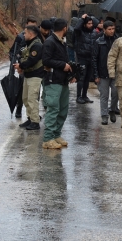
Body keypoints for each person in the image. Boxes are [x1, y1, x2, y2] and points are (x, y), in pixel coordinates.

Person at [41, 18, 76, 150]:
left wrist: (71, 75)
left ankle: (56, 134)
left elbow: (64, 60)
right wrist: (63, 65)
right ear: (64, 28)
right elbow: (46, 60)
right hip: (52, 80)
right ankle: (48, 138)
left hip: (62, 80)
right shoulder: (50, 42)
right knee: (53, 109)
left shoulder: (62, 42)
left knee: (63, 110)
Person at [14, 25, 44, 130]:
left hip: (35, 76)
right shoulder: (30, 44)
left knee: (32, 99)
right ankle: (30, 118)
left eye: (25, 33)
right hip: (28, 75)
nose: (24, 35)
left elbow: (32, 60)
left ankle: (35, 122)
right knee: (25, 98)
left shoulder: (37, 45)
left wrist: (21, 66)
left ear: (31, 34)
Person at [8, 16, 38, 119]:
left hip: (34, 68)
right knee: (22, 90)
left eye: (34, 26)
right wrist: (17, 62)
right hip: (23, 67)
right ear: (26, 25)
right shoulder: (21, 37)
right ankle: (19, 109)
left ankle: (33, 114)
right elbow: (12, 52)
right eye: (30, 25)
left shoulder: (38, 38)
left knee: (34, 92)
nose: (32, 28)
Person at [92, 20, 119, 125]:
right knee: (104, 95)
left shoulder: (118, 41)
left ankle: (112, 109)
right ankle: (104, 115)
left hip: (116, 71)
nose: (112, 31)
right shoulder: (98, 41)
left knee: (116, 93)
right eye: (109, 29)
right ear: (104, 30)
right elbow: (94, 58)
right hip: (102, 72)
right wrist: (96, 75)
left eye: (113, 29)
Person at [74, 14, 99, 104]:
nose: (91, 25)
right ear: (84, 24)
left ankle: (84, 95)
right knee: (81, 77)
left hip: (91, 57)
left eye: (91, 23)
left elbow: (98, 24)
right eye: (88, 23)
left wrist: (91, 17)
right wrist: (82, 19)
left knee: (88, 78)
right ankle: (78, 96)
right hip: (82, 57)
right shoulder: (80, 32)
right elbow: (76, 28)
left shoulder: (94, 32)